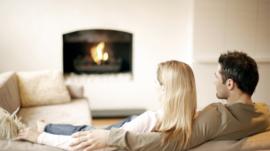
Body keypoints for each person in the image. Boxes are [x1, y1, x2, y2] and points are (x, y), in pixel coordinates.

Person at [67, 51, 270, 151]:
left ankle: (44, 133)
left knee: (89, 131)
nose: (213, 79)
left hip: (145, 128)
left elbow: (169, 142)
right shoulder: (264, 112)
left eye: (216, 76)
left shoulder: (217, 116)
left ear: (230, 84)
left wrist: (111, 138)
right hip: (158, 120)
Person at [16, 60, 198, 150]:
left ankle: (44, 127)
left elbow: (82, 143)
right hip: (134, 124)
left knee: (86, 130)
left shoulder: (150, 120)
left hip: (135, 125)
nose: (154, 86)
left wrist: (38, 137)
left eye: (157, 82)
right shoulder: (193, 118)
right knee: (90, 128)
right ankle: (47, 126)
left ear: (165, 89)